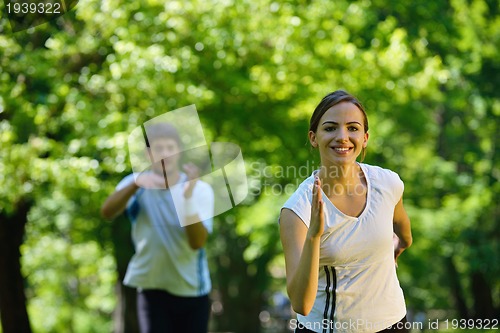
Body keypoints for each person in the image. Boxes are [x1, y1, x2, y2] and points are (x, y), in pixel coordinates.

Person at [279, 90, 413, 333]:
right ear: (313, 137)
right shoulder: (297, 211)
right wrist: (314, 236)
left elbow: (404, 236)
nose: (342, 137)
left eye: (353, 128)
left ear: (365, 137)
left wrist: (391, 252)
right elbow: (300, 303)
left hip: (394, 323)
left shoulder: (388, 183)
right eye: (330, 128)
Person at [101, 122, 214, 333]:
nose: (165, 154)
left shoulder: (199, 189)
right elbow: (107, 212)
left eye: (170, 148)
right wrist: (136, 183)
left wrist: (187, 198)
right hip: (151, 288)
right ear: (148, 153)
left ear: (179, 151)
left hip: (192, 290)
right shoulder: (134, 184)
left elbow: (197, 242)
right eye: (158, 148)